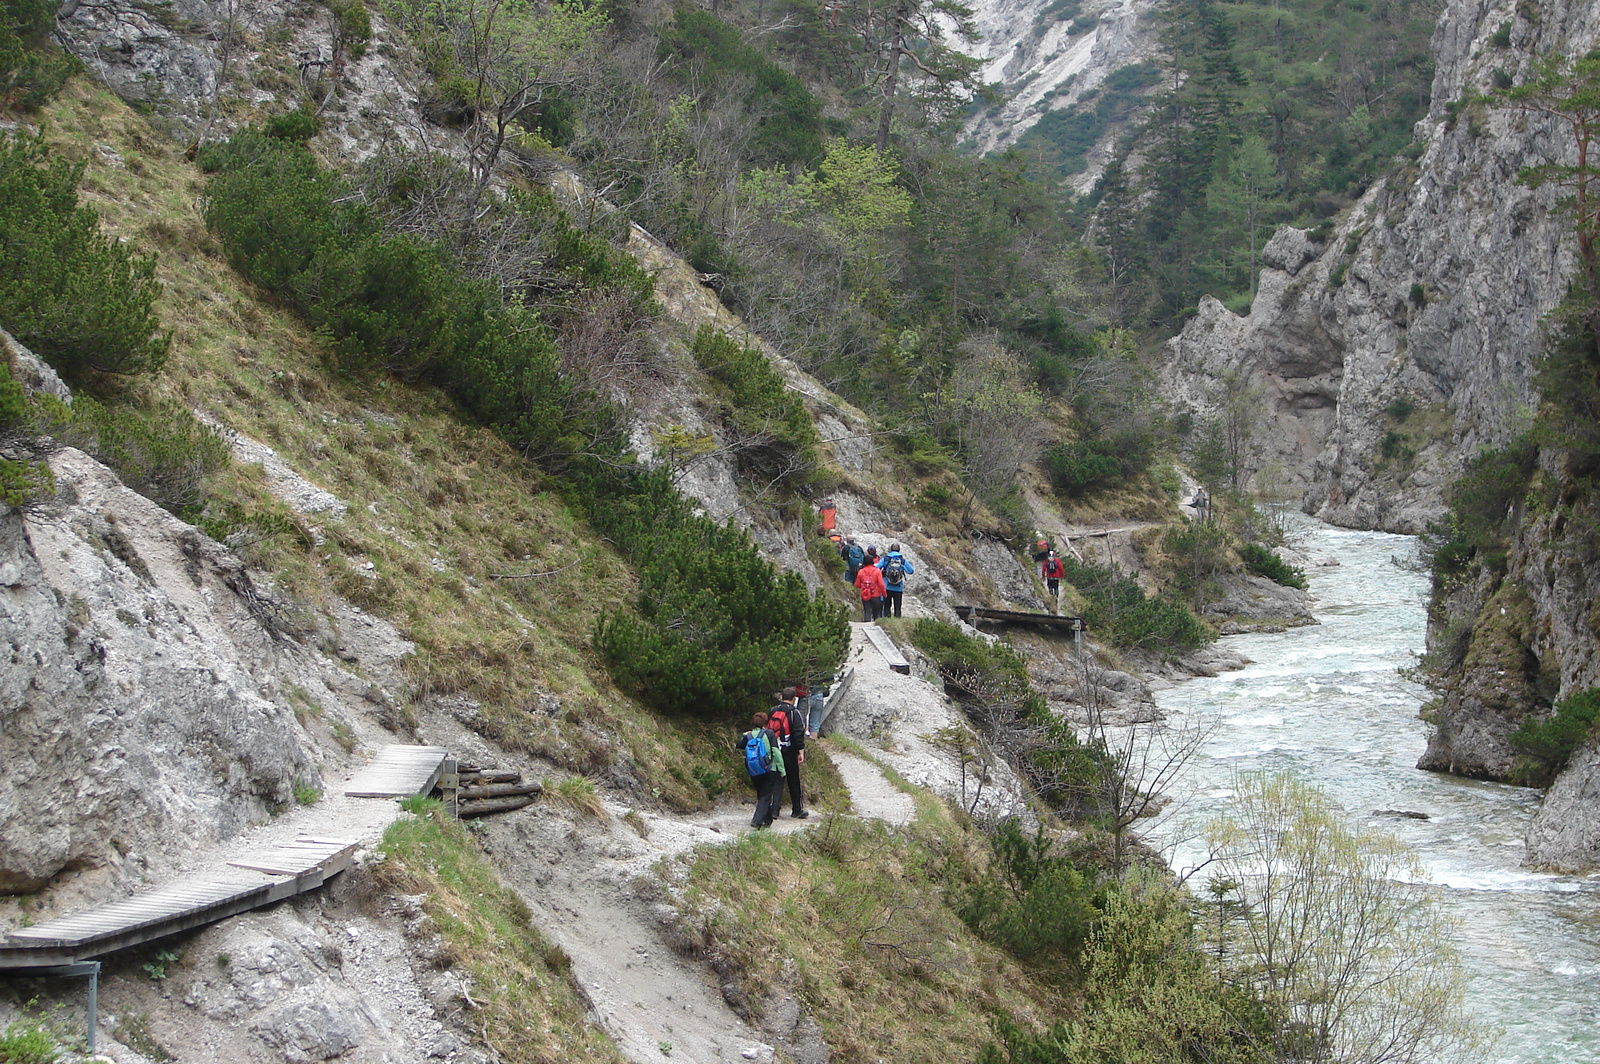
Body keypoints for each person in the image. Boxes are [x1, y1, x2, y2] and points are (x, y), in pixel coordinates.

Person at [769, 688, 808, 818]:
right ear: (794, 699)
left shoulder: (773, 711)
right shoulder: (794, 713)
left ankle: (774, 810)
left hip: (775, 749)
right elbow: (798, 734)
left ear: (782, 696)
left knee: (777, 778)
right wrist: (800, 751)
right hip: (789, 751)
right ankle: (797, 809)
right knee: (793, 780)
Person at [742, 711, 783, 828]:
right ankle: (757, 821)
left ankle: (768, 819)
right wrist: (782, 770)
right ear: (766, 723)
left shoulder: (748, 736)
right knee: (765, 795)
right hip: (768, 768)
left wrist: (744, 735)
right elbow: (776, 752)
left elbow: (739, 745)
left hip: (753, 769)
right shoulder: (769, 734)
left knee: (762, 794)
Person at [875, 542, 914, 618]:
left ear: (891, 549)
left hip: (887, 586)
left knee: (887, 606)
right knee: (897, 606)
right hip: (898, 587)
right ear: (899, 550)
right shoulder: (902, 560)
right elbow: (911, 571)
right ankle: (897, 620)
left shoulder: (886, 558)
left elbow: (877, 568)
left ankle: (887, 619)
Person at [855, 548, 886, 620]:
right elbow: (881, 584)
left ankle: (866, 623)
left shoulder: (861, 571)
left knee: (867, 612)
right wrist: (884, 594)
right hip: (876, 594)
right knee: (877, 613)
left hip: (865, 594)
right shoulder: (877, 571)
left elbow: (857, 585)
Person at [1041, 549, 1066, 613]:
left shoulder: (1047, 561)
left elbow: (1044, 568)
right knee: (1056, 587)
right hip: (1056, 577)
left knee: (1050, 586)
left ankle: (1051, 596)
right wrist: (1062, 576)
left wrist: (1043, 576)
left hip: (1049, 577)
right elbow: (1061, 568)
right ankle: (1056, 597)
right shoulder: (1057, 560)